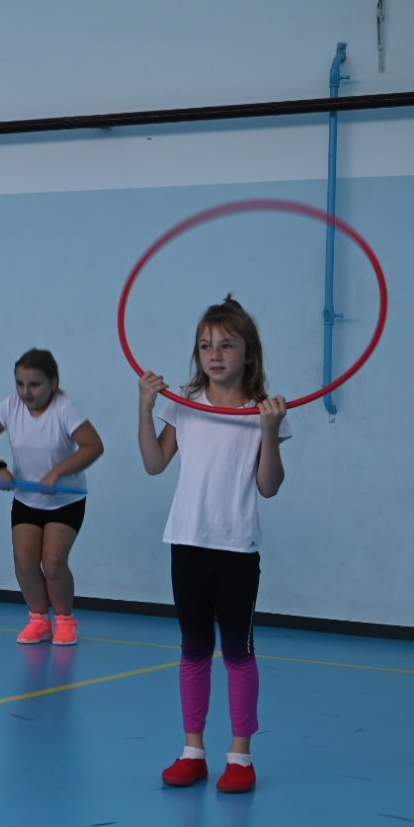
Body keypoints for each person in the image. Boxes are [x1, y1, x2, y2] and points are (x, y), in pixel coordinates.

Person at [137, 295, 289, 794]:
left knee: (239, 652)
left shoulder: (263, 412)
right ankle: (193, 751)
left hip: (238, 548)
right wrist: (145, 409)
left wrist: (269, 431)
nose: (215, 354)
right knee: (194, 649)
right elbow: (154, 463)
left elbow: (268, 486)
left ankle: (240, 756)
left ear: (250, 354)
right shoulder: (184, 404)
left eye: (226, 344)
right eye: (205, 345)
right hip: (187, 541)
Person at [0, 349, 104, 645]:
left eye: (34, 385)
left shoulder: (65, 410)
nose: (25, 392)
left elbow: (93, 446)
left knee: (53, 562)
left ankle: (65, 620)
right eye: (20, 384)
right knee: (24, 562)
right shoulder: (9, 406)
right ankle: (39, 620)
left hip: (66, 501)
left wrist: (57, 473)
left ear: (53, 383)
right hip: (27, 499)